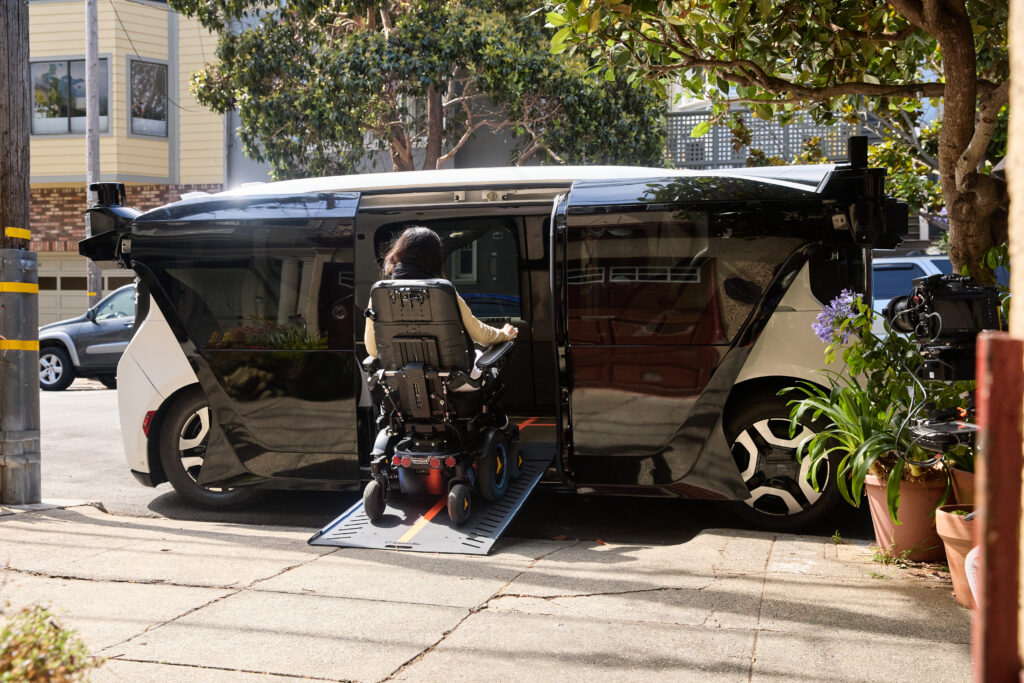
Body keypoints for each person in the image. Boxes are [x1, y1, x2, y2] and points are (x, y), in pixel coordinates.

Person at [364, 226, 518, 358]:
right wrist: (504, 334)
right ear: (435, 257)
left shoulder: (380, 294)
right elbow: (480, 335)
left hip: (401, 381)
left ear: (400, 251)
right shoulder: (443, 291)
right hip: (453, 378)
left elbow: (373, 350)